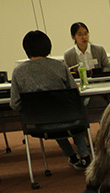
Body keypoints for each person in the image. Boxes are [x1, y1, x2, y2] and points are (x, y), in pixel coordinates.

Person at [10, 30, 92, 170]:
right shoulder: (60, 66)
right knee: (70, 113)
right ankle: (85, 156)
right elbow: (74, 95)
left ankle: (71, 156)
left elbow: (15, 104)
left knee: (50, 116)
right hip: (69, 119)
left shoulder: (18, 72)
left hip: (39, 124)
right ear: (48, 46)